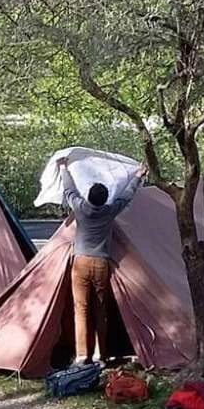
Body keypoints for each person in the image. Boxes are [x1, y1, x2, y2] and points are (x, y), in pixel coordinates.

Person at [58, 155, 145, 363]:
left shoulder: (80, 208)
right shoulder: (109, 211)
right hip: (101, 263)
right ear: (106, 199)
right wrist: (138, 176)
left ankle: (81, 355)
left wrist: (63, 169)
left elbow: (69, 190)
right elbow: (127, 195)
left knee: (81, 309)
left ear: (89, 195)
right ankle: (100, 354)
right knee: (100, 310)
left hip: (80, 262)